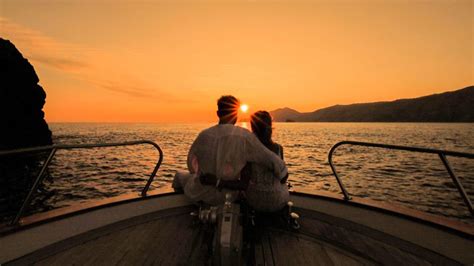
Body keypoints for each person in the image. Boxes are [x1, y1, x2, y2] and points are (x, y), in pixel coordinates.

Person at [172, 96, 288, 205]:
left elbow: (191, 166)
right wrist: (282, 174)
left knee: (179, 176)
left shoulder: (203, 136)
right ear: (236, 114)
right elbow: (273, 161)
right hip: (229, 196)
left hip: (201, 193)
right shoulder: (245, 137)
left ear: (218, 114)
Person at [245, 111, 289, 212]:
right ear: (270, 126)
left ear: (253, 128)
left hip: (254, 201)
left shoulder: (248, 149)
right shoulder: (278, 149)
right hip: (277, 200)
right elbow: (283, 179)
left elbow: (245, 179)